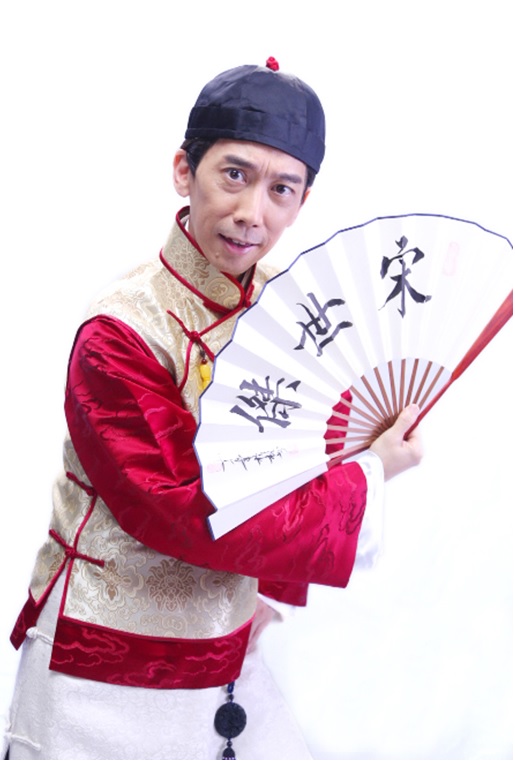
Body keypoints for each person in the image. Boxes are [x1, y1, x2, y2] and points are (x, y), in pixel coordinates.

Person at [3, 58, 423, 760]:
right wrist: (368, 477)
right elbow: (177, 505)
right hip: (102, 657)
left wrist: (272, 592)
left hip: (228, 641)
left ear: (302, 200)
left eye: (281, 188)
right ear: (183, 170)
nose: (253, 212)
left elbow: (300, 452)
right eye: (234, 174)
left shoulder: (291, 311)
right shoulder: (121, 331)